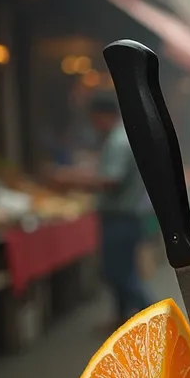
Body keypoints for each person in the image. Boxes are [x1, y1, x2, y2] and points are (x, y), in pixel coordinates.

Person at [48, 93, 154, 327]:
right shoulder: (118, 138)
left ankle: (155, 317)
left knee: (119, 272)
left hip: (121, 217)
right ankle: (124, 318)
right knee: (119, 270)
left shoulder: (117, 141)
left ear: (104, 116)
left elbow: (111, 181)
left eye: (95, 119)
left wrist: (71, 179)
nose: (94, 125)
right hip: (123, 216)